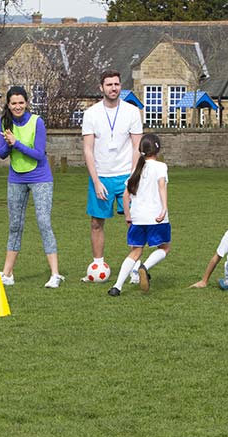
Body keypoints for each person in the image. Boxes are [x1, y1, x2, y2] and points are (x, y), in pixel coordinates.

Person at [0, 86, 64, 288]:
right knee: (15, 224)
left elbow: (38, 154)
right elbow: (1, 154)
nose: (17, 106)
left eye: (21, 102)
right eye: (13, 103)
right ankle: (7, 273)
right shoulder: (3, 122)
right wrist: (8, 144)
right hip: (16, 178)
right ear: (8, 104)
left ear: (27, 103)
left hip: (40, 177)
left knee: (43, 222)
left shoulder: (37, 122)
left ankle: (55, 274)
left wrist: (16, 143)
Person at [81, 69, 143, 281]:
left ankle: (135, 266)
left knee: (133, 221)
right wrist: (96, 180)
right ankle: (98, 265)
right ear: (101, 87)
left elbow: (137, 146)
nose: (113, 88)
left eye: (116, 84)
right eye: (109, 85)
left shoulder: (132, 112)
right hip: (101, 177)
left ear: (121, 86)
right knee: (97, 222)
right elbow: (88, 149)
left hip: (126, 175)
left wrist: (132, 178)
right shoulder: (91, 114)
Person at [107, 134, 169, 296]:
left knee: (135, 252)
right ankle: (144, 268)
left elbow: (125, 196)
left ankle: (117, 286)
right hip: (156, 216)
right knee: (164, 247)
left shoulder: (136, 169)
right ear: (157, 149)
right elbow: (161, 186)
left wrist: (128, 216)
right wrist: (164, 208)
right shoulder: (161, 166)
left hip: (137, 217)